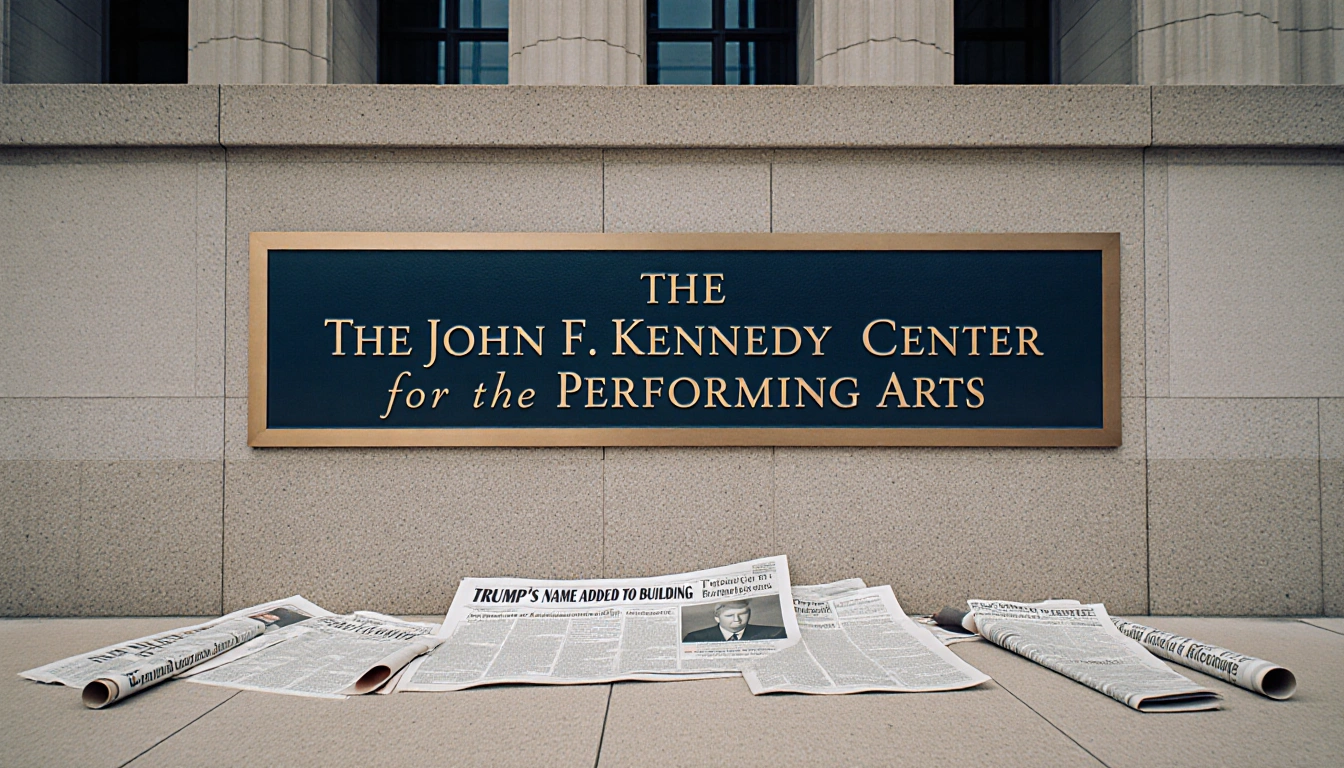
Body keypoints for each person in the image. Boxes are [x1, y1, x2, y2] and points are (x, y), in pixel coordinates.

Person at [682, 600, 785, 642]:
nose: (737, 620)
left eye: (742, 614)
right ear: (717, 618)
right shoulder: (695, 638)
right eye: (729, 615)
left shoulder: (775, 634)